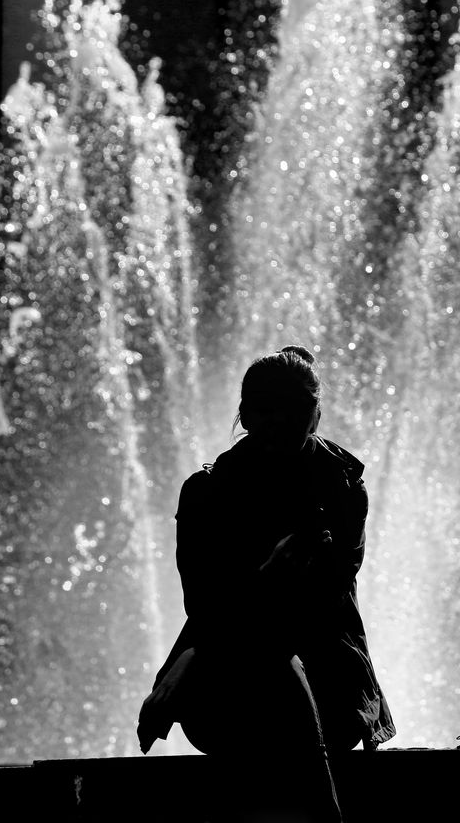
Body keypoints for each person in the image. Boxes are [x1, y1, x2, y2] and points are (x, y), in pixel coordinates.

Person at [138, 346, 395, 821]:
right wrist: (267, 580)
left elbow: (324, 607)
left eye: (294, 413)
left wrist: (195, 653)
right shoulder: (206, 493)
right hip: (228, 680)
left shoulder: (343, 485)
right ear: (245, 416)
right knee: (266, 657)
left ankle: (324, 822)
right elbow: (203, 605)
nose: (280, 425)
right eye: (265, 413)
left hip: (326, 687)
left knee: (273, 656)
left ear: (316, 415)